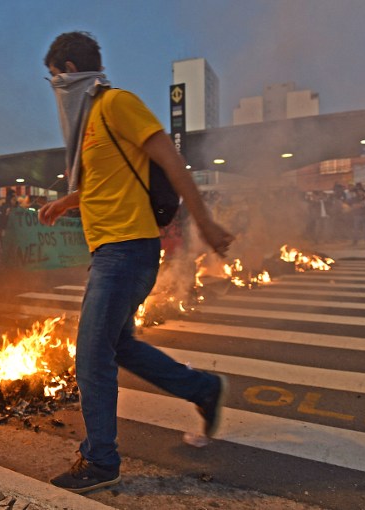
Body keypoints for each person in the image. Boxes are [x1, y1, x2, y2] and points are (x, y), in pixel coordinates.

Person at [38, 31, 234, 494]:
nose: (53, 87)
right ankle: (203, 389)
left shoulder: (115, 104)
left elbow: (171, 160)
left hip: (128, 250)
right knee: (119, 346)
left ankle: (101, 460)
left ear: (67, 69)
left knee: (90, 356)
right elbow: (106, 185)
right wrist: (68, 202)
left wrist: (204, 221)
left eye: (52, 77)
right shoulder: (89, 122)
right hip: (112, 251)